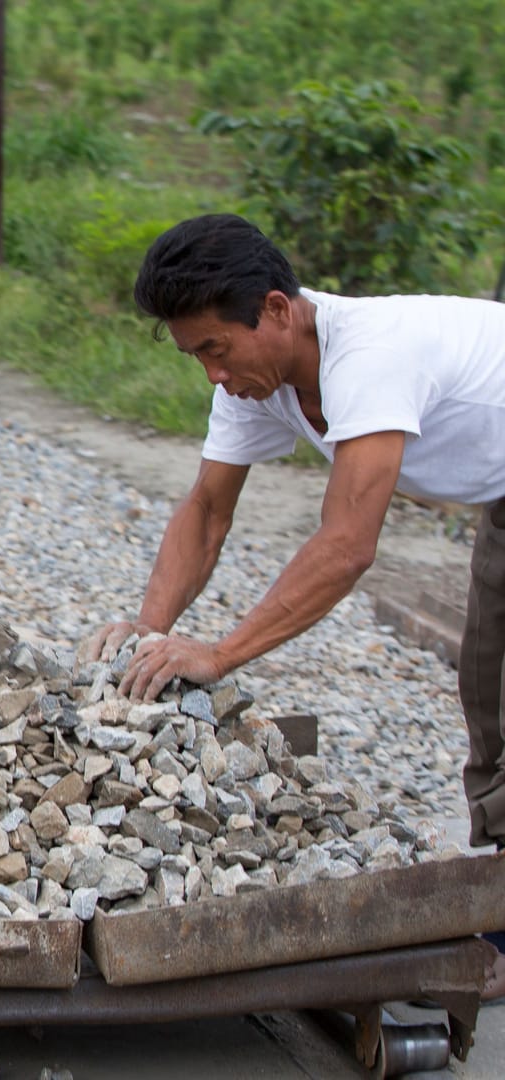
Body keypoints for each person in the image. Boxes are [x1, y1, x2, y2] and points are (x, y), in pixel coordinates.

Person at [81, 212, 505, 997]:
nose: (210, 372)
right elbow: (207, 512)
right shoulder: (256, 380)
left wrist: (219, 653)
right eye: (194, 355)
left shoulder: (372, 356)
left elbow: (346, 544)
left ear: (278, 310)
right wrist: (152, 632)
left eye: (215, 348)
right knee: (490, 690)